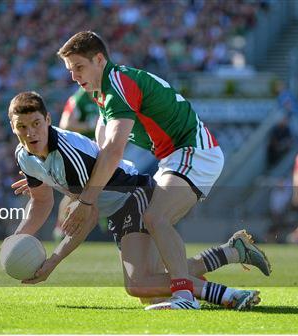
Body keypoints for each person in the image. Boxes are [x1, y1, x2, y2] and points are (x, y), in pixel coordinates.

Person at [56, 31, 270, 310]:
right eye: (71, 70)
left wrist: (87, 199)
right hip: (174, 159)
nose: (74, 76)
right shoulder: (104, 92)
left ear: (99, 59)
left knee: (156, 217)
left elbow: (113, 152)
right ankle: (230, 253)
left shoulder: (118, 83)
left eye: (79, 67)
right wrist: (47, 175)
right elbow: (101, 150)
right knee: (148, 283)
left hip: (193, 150)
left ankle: (186, 298)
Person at [7, 91, 270, 310]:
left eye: (36, 124)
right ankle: (232, 251)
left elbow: (87, 217)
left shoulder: (67, 154)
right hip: (119, 208)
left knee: (138, 284)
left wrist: (53, 261)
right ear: (13, 128)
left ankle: (229, 295)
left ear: (48, 120)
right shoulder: (23, 155)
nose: (30, 133)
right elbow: (42, 203)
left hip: (134, 195)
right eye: (22, 127)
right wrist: (16, 240)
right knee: (153, 285)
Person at [53, 88, 102, 242]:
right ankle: (60, 227)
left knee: (95, 186)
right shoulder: (79, 98)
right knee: (75, 191)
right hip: (79, 151)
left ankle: (103, 217)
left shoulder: (103, 95)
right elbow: (65, 123)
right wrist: (89, 125)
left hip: (97, 151)